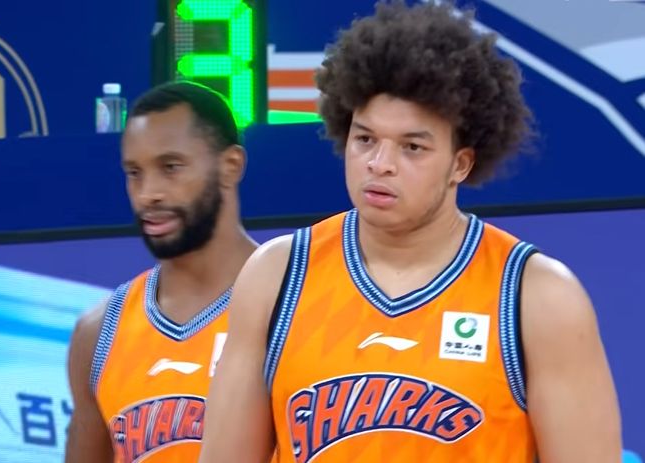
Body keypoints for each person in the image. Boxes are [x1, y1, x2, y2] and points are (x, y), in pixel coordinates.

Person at [198, 1, 622, 462]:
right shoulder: (276, 277)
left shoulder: (536, 297)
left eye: (412, 147)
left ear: (460, 164)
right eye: (365, 139)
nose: (379, 164)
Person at [66, 81, 257, 462]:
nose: (147, 193)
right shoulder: (99, 334)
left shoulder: (294, 303)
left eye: (171, 167)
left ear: (230, 166)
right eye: (134, 173)